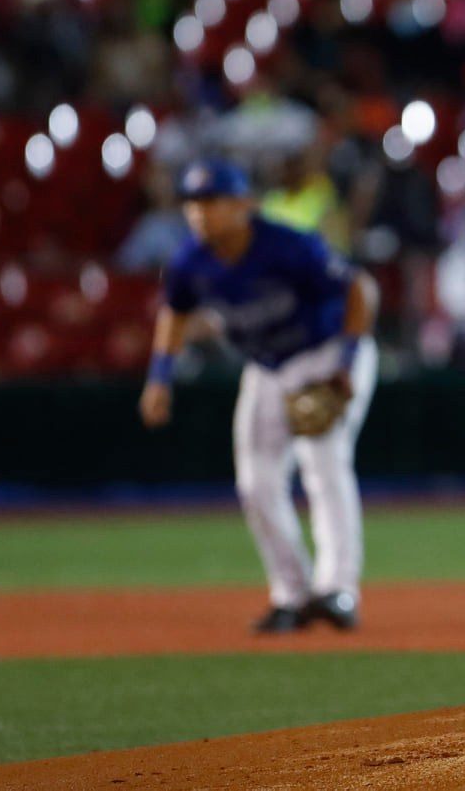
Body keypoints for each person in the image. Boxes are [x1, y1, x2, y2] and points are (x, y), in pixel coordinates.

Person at [138, 158, 379, 633]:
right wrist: (159, 376)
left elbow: (360, 289)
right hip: (268, 367)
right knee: (255, 481)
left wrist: (347, 364)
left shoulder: (287, 245)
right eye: (193, 203)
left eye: (212, 202)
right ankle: (291, 594)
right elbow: (174, 313)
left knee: (323, 461)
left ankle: (338, 591)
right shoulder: (190, 261)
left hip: (326, 352)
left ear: (242, 204)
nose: (200, 213)